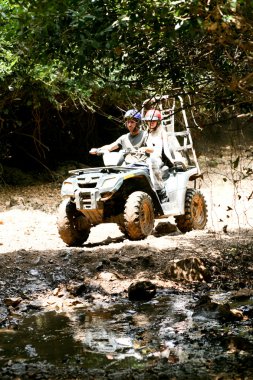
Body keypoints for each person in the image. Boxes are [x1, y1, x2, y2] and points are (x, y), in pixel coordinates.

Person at [140, 109, 175, 202]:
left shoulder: (161, 132)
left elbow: (158, 149)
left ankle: (161, 192)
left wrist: (145, 149)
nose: (151, 123)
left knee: (152, 162)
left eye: (153, 121)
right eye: (149, 121)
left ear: (158, 121)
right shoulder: (146, 132)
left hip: (158, 158)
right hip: (145, 158)